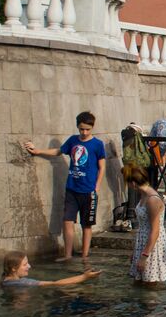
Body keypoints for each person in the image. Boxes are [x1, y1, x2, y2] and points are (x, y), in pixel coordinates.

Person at [23, 110, 106, 264]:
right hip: (72, 188)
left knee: (86, 224)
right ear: (77, 127)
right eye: (81, 129)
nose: (84, 132)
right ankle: (68, 255)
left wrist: (97, 186)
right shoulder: (73, 140)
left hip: (89, 190)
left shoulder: (97, 144)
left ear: (92, 128)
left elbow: (102, 166)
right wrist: (38, 151)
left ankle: (85, 256)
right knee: (67, 220)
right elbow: (59, 151)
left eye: (87, 129)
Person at [124, 164, 166, 286]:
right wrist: (135, 252)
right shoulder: (143, 195)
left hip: (152, 244)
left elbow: (155, 230)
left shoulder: (152, 199)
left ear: (133, 183)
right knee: (138, 282)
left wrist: (144, 256)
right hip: (143, 240)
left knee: (150, 283)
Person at [0, 251, 101, 288]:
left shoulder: (4, 280)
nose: (29, 266)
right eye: (25, 264)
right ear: (13, 268)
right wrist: (85, 276)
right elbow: (55, 283)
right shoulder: (24, 283)